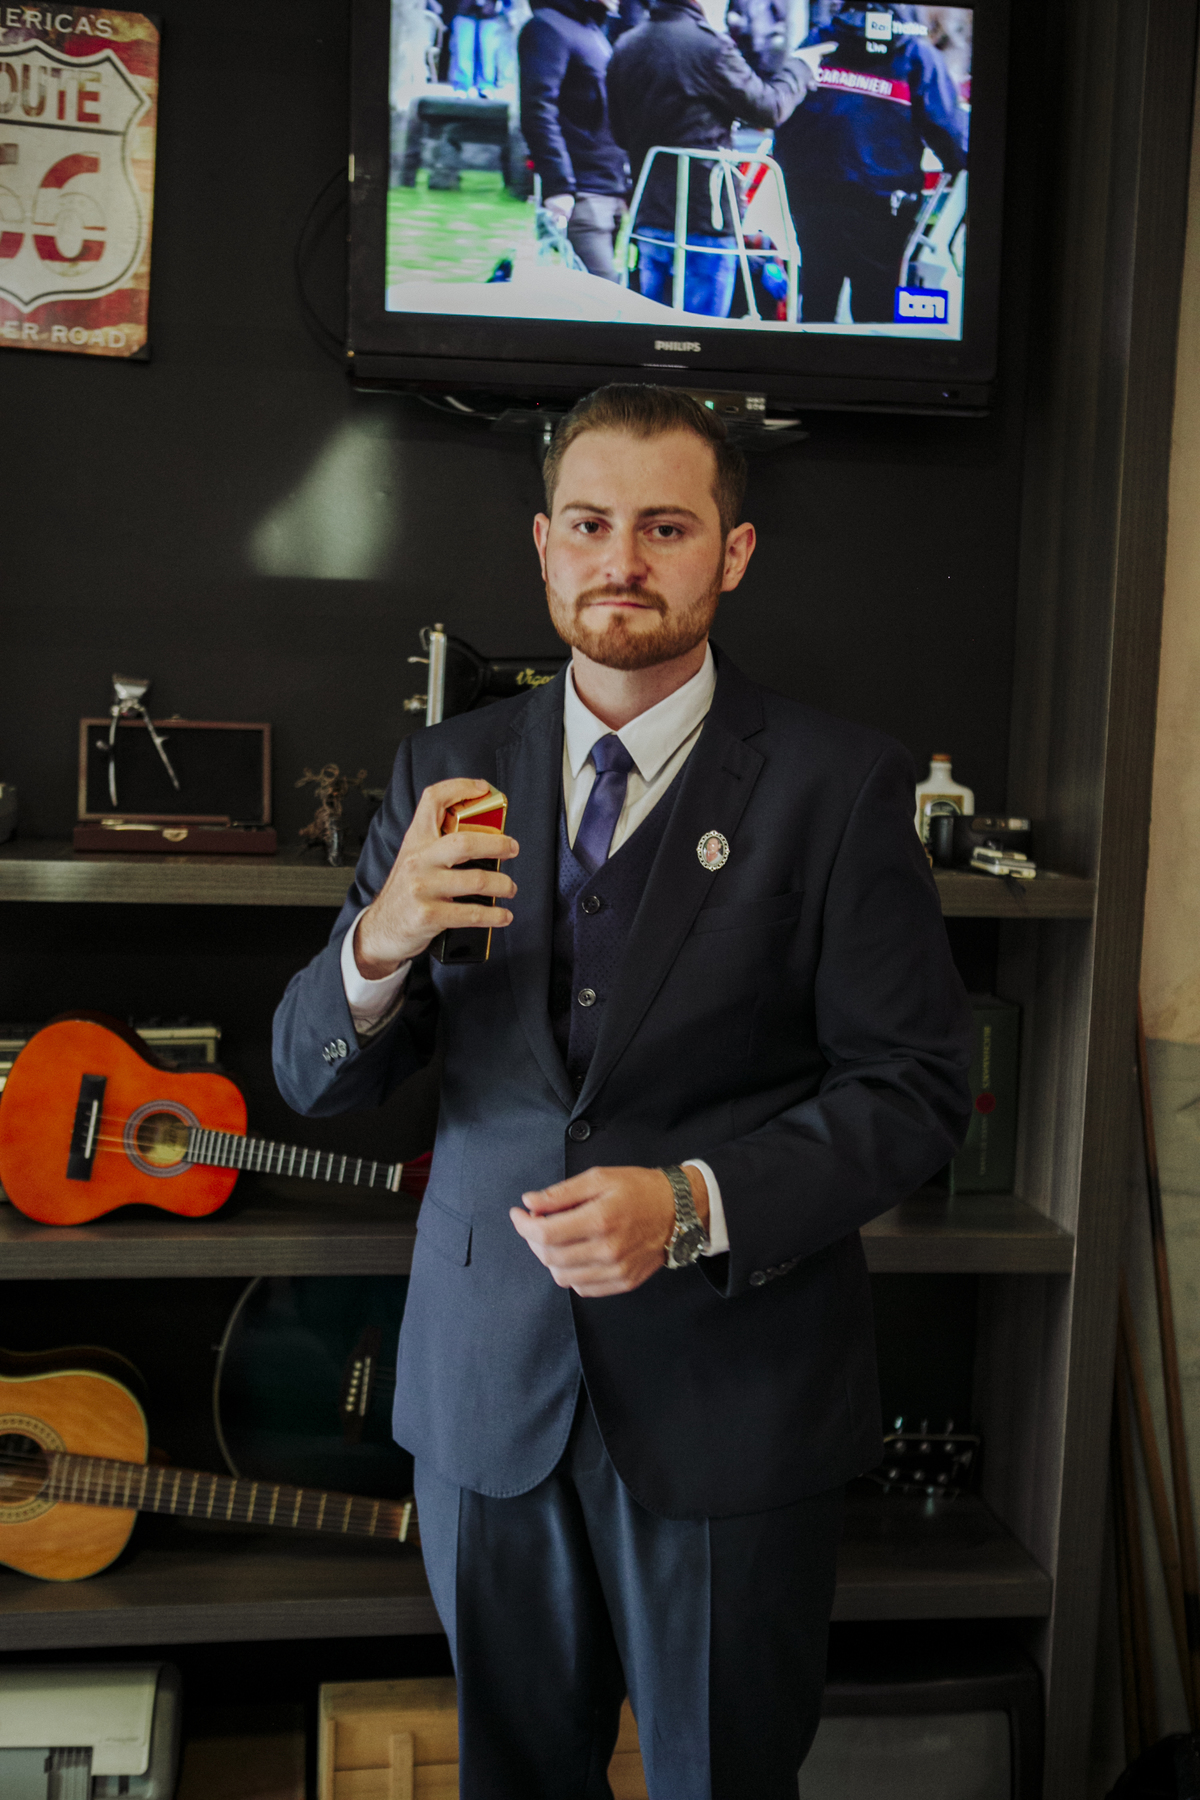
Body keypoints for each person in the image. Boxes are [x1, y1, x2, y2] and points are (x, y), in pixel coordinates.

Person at [272, 383, 972, 1799]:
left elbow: (916, 1089)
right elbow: (309, 1075)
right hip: (488, 1398)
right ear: (544, 546)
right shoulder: (444, 772)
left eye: (666, 527)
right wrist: (380, 942)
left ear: (734, 552)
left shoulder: (839, 786)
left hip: (733, 1402)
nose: (623, 561)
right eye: (590, 525)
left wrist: (695, 1203)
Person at [607, 0, 814, 317]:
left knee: (654, 328)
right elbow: (770, 108)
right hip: (705, 218)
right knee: (701, 333)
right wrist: (799, 68)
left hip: (650, 212)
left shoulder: (627, 44)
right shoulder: (710, 46)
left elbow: (620, 133)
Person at [773, 1, 969, 322]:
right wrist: (966, 168)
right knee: (876, 311)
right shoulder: (916, 54)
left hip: (813, 195)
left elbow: (788, 113)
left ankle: (812, 351)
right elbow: (948, 131)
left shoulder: (820, 40)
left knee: (817, 299)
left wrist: (793, 176)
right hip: (884, 201)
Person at [518, 0, 629, 279]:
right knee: (603, 292)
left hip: (608, 187)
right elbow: (538, 110)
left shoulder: (593, 31)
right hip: (580, 192)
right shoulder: (547, 27)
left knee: (606, 290)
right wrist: (558, 186)